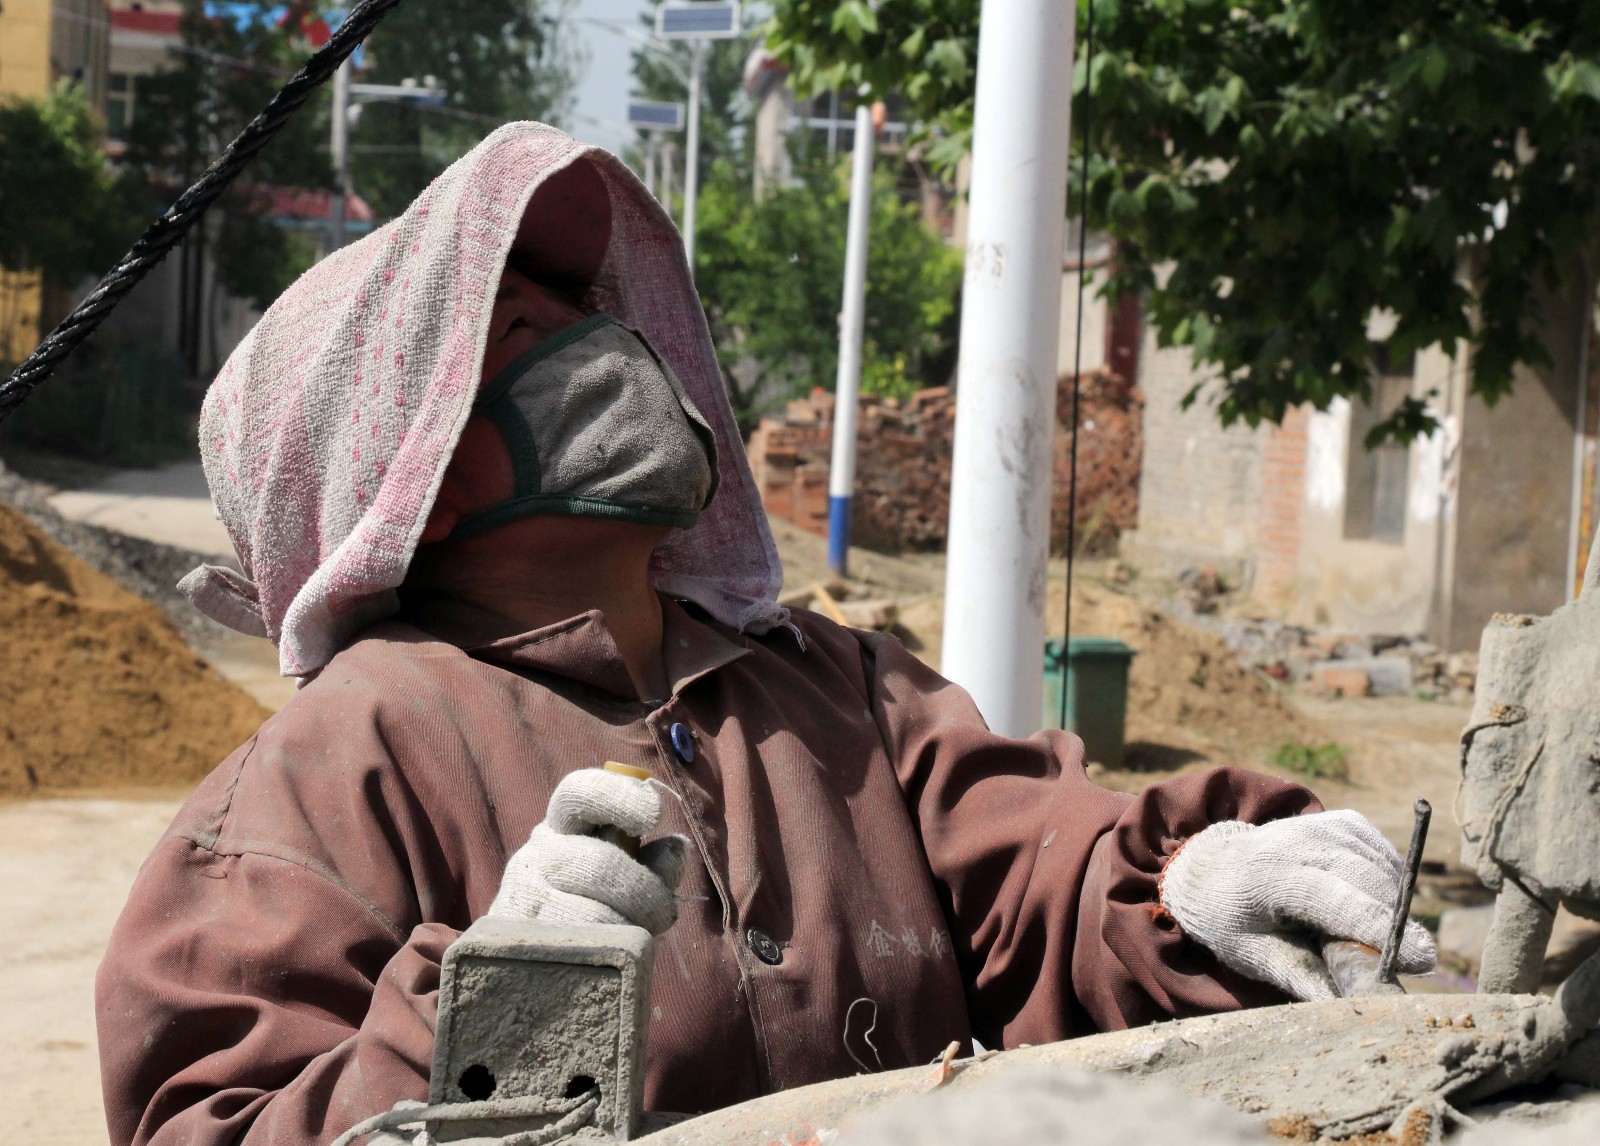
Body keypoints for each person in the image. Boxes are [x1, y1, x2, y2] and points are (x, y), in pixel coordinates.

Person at [96, 124, 1433, 1146]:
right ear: (418, 471)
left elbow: (1040, 873)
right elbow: (216, 1115)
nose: (605, 342)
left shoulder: (832, 680)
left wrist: (1197, 883)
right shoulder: (337, 764)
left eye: (591, 312)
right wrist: (484, 1032)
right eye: (526, 330)